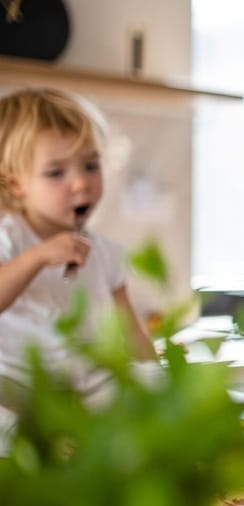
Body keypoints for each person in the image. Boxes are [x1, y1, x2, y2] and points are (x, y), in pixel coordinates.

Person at [0, 88, 155, 395]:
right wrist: (37, 257)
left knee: (149, 380)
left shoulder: (107, 254)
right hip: (18, 394)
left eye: (90, 166)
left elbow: (132, 334)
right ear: (16, 184)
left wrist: (160, 385)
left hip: (86, 389)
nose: (81, 182)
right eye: (56, 172)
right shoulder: (8, 238)